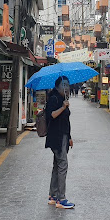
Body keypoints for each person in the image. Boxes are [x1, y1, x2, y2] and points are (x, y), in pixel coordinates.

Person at [45, 75, 74, 209]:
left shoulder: (63, 99)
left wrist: (69, 137)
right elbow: (51, 115)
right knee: (63, 165)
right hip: (56, 137)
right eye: (63, 85)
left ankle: (53, 196)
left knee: (57, 166)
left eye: (67, 85)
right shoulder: (54, 98)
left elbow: (65, 121)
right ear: (57, 86)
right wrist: (63, 107)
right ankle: (61, 199)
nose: (66, 87)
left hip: (62, 136)